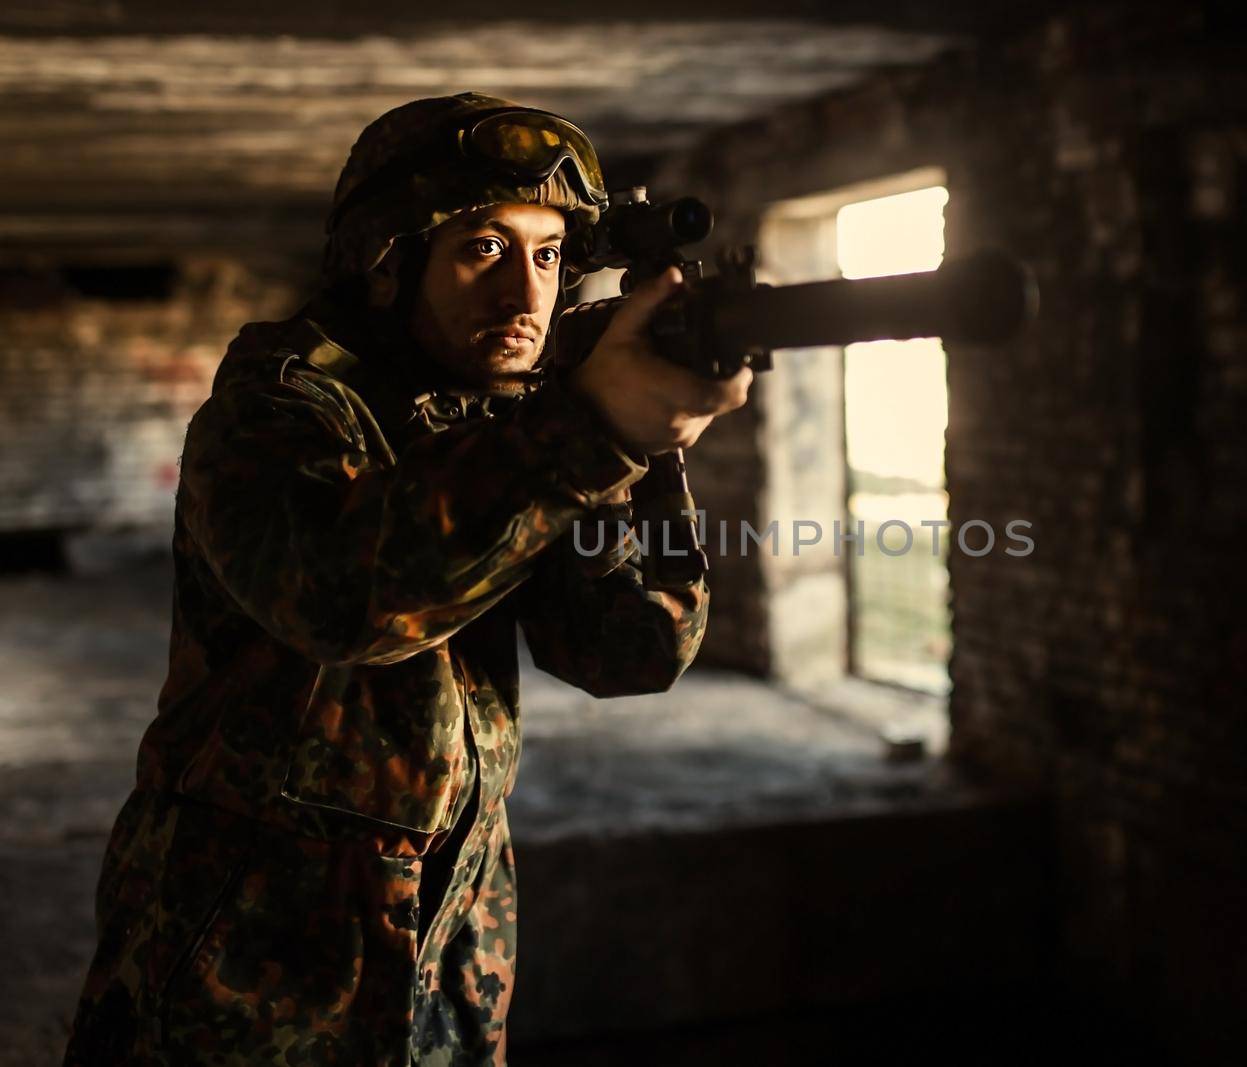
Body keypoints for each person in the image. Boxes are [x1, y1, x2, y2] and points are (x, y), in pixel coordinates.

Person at [63, 91, 751, 1066]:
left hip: (454, 914)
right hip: (253, 929)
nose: (526, 293)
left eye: (549, 254)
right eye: (484, 248)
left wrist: (646, 446)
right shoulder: (282, 405)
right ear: (388, 261)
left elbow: (627, 648)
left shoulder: (509, 424)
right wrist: (586, 436)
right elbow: (347, 601)